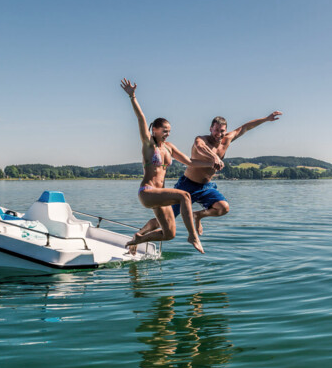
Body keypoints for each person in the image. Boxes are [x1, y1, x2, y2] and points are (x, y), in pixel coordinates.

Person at [134, 110, 282, 239]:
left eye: (222, 131)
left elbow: (245, 128)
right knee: (167, 218)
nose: (219, 134)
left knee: (223, 208)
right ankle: (141, 233)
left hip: (205, 187)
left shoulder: (227, 140)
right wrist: (214, 157)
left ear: (225, 131)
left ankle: (198, 215)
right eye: (216, 130)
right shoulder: (201, 139)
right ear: (211, 128)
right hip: (187, 185)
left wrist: (266, 119)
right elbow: (200, 147)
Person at [120, 78, 223, 254]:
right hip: (147, 192)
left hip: (161, 195)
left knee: (169, 234)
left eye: (169, 131)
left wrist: (211, 162)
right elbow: (140, 118)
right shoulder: (149, 145)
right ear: (155, 130)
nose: (168, 133)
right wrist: (133, 97)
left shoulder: (169, 147)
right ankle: (193, 236)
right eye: (165, 130)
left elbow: (190, 162)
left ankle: (138, 239)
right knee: (184, 196)